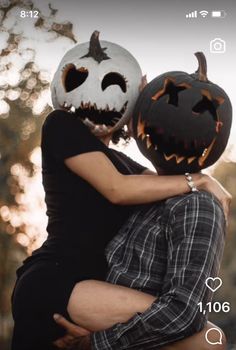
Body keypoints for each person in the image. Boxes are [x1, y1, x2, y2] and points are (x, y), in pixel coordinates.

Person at [11, 35, 231, 350]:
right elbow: (118, 190)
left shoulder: (123, 163)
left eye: (117, 86)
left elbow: (156, 181)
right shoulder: (61, 126)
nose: (98, 97)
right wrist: (202, 181)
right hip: (57, 280)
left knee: (210, 339)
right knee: (205, 341)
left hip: (97, 286)